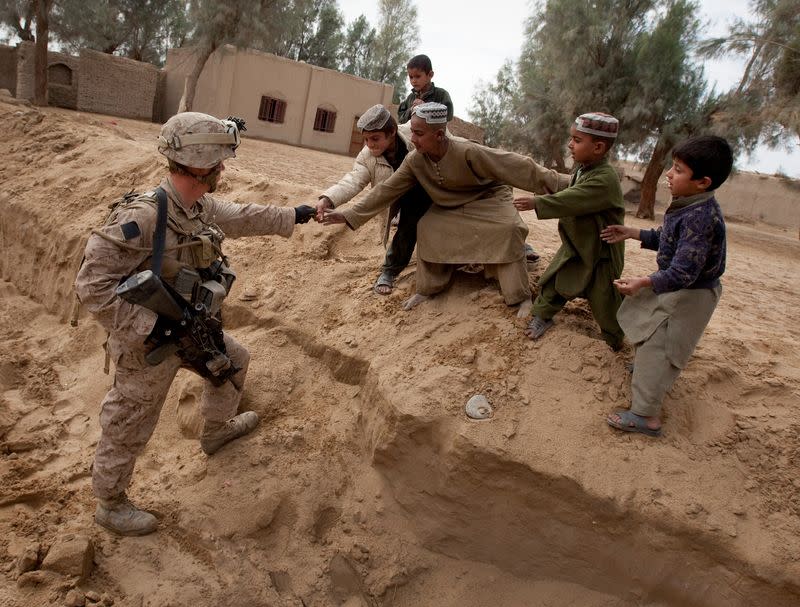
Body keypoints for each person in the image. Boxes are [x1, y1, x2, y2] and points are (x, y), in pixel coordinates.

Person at [75, 112, 315, 535]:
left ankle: (216, 431)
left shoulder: (197, 207)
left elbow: (243, 216)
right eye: (218, 161)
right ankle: (110, 503)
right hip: (147, 346)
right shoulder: (146, 216)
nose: (224, 168)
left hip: (193, 328)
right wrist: (149, 328)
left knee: (233, 364)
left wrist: (297, 214)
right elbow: (92, 285)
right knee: (129, 423)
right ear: (199, 164)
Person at [322, 102, 567, 316]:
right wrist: (348, 214)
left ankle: (520, 296)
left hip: (489, 198)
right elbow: (385, 191)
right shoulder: (415, 159)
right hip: (451, 203)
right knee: (428, 226)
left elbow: (519, 166)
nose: (413, 139)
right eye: (413, 133)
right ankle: (430, 288)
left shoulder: (467, 150)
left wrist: (566, 184)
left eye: (418, 134)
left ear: (439, 134)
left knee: (510, 228)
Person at [602, 135, 733, 437]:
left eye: (677, 169)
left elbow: (684, 272)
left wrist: (643, 282)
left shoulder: (700, 217)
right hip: (681, 287)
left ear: (702, 181)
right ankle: (650, 372)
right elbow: (667, 238)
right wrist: (633, 232)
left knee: (662, 344)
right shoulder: (689, 205)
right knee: (649, 324)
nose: (668, 175)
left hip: (691, 294)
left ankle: (645, 416)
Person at [513, 112, 625, 350]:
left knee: (605, 299)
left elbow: (573, 199)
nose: (570, 144)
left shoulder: (605, 178)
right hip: (577, 246)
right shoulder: (584, 170)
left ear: (598, 147)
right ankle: (542, 315)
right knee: (555, 280)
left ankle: (613, 340)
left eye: (576, 140)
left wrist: (538, 203)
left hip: (600, 253)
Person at [315, 104, 432, 295]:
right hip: (399, 199)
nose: (370, 144)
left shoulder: (413, 136)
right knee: (406, 225)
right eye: (366, 139)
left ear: (392, 132)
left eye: (375, 138)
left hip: (429, 189)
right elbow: (352, 180)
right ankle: (390, 271)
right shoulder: (366, 156)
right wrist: (327, 199)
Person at [397, 54, 454, 125]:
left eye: (418, 76)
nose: (413, 81)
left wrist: (426, 108)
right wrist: (412, 110)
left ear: (430, 75)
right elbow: (401, 118)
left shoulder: (441, 94)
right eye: (411, 77)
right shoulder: (411, 98)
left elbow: (448, 116)